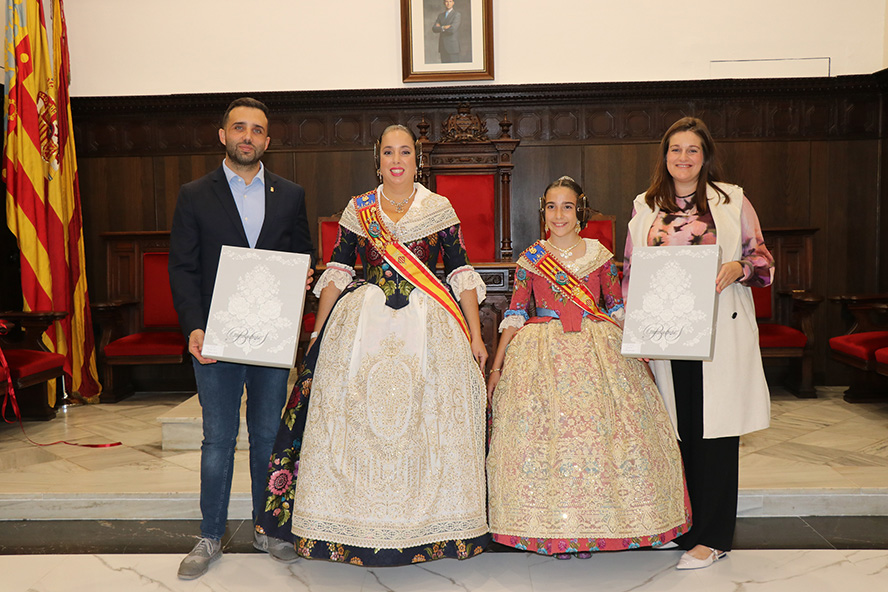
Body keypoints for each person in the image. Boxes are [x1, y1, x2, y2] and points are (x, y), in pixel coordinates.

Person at [255, 124, 490, 566]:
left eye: (404, 152)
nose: (396, 160)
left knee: (432, 420)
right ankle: (348, 524)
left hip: (428, 321)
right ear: (377, 160)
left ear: (417, 160)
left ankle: (433, 526)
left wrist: (475, 335)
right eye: (387, 152)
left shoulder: (439, 207)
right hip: (363, 321)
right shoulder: (358, 209)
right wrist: (317, 333)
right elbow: (338, 272)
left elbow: (460, 274)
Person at [486, 176, 691, 559]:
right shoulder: (531, 258)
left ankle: (594, 528)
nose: (558, 214)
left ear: (579, 209)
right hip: (541, 353)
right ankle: (555, 531)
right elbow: (514, 314)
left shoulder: (598, 254)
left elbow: (614, 307)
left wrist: (638, 346)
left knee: (600, 439)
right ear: (542, 211)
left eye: (566, 206)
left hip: (599, 350)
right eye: (551, 206)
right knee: (550, 441)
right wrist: (497, 369)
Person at [169, 97, 314, 579]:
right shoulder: (194, 194)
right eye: (239, 128)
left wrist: (303, 285)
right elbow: (183, 268)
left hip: (270, 340)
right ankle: (210, 535)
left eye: (256, 130)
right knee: (218, 438)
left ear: (268, 140)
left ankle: (267, 528)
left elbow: (302, 257)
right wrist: (193, 325)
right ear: (223, 135)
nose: (247, 136)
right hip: (216, 338)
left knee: (269, 437)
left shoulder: (290, 194)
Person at [623, 117, 774, 570]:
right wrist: (637, 329)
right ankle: (686, 527)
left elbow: (763, 261)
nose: (683, 158)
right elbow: (631, 273)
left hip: (718, 331)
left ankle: (715, 535)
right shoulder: (644, 207)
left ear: (705, 156)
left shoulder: (733, 201)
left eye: (692, 150)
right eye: (675, 150)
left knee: (717, 433)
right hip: (669, 335)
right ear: (664, 157)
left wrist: (739, 268)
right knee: (680, 430)